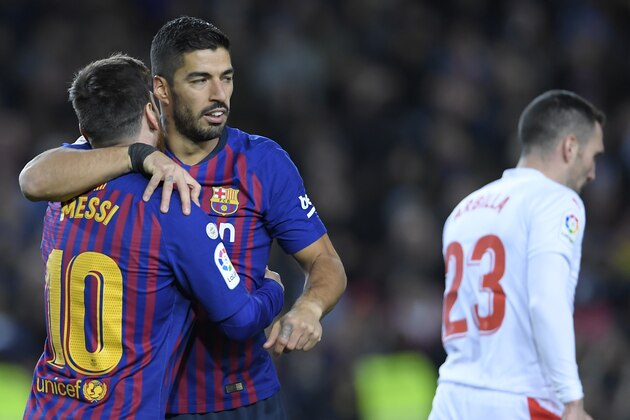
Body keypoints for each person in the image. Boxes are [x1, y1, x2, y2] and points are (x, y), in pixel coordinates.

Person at [19, 16, 347, 419]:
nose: (218, 95)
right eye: (199, 80)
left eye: (226, 78)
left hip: (237, 398)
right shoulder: (122, 154)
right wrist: (137, 156)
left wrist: (310, 307)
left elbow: (324, 260)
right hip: (152, 402)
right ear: (162, 89)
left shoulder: (262, 162)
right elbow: (34, 178)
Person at [429, 90, 604, 420]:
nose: (593, 172)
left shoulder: (463, 210)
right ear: (570, 147)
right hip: (519, 398)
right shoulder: (557, 201)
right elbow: (545, 299)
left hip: (451, 398)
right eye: (593, 156)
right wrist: (572, 399)